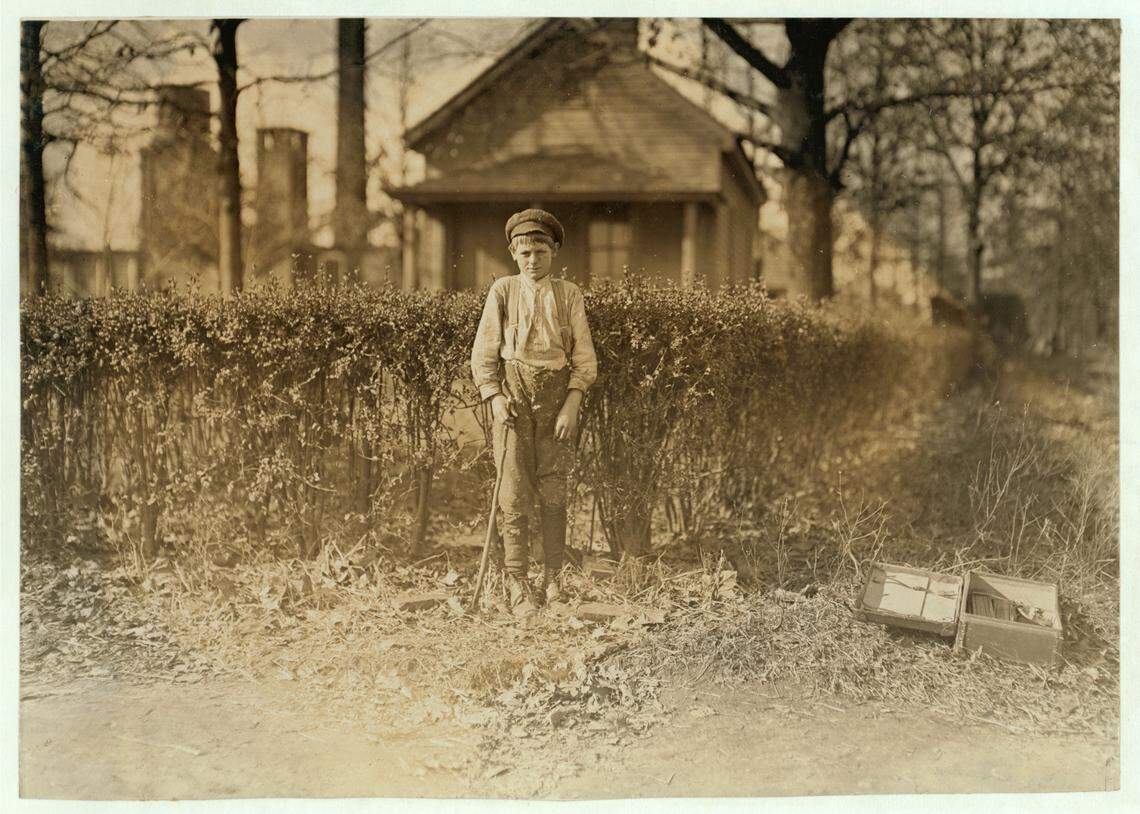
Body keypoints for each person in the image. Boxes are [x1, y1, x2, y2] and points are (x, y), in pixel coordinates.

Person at [470, 209, 598, 617]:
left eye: (540, 250)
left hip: (556, 401)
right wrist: (495, 397)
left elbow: (584, 358)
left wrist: (572, 403)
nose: (532, 259)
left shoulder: (569, 294)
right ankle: (517, 582)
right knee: (513, 490)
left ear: (554, 251)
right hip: (513, 400)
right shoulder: (503, 292)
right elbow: (484, 354)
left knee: (554, 489)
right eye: (524, 251)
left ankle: (554, 580)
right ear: (512, 253)